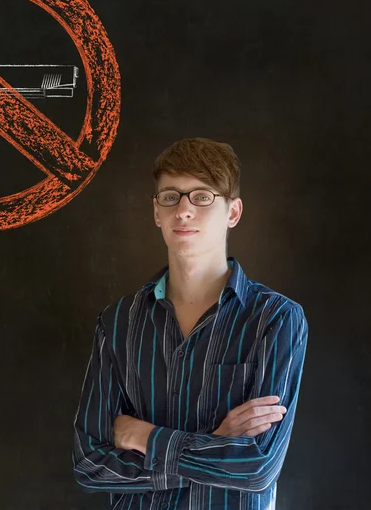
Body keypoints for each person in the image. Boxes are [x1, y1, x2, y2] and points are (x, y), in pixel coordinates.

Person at [72, 138, 309, 509]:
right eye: (171, 196)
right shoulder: (117, 322)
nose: (183, 210)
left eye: (202, 197)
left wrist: (146, 436)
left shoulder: (275, 319)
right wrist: (216, 442)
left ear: (233, 212)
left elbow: (258, 468)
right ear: (156, 211)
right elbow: (90, 465)